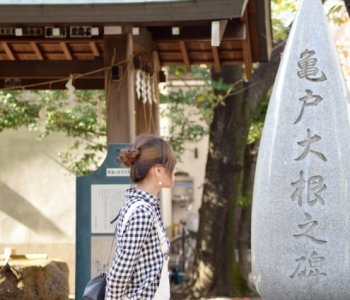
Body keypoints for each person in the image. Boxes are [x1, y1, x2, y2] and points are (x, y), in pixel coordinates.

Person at [105, 135, 176, 300]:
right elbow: (120, 270)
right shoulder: (142, 212)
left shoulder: (143, 206)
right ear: (158, 170)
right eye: (172, 167)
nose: (174, 172)